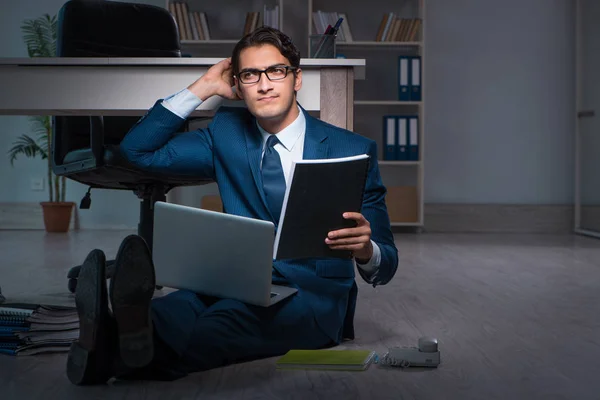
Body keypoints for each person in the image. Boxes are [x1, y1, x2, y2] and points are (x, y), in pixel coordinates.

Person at [66, 26, 399, 385]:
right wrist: (204, 86)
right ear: (238, 87)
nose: (265, 84)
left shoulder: (352, 149)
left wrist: (367, 250)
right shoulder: (225, 134)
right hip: (234, 279)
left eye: (276, 71)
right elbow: (138, 151)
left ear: (296, 78)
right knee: (171, 310)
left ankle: (104, 350)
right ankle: (119, 344)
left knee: (224, 323)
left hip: (311, 297)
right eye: (250, 75)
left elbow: (386, 264)